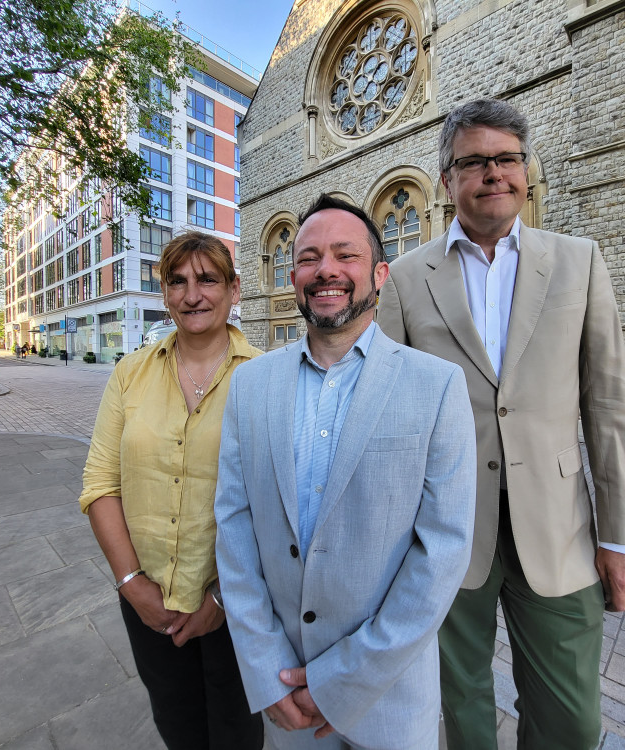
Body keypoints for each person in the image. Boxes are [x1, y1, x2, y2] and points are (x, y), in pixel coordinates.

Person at [376, 98, 625, 750]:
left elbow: (608, 406)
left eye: (506, 159)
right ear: (448, 180)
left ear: (526, 171)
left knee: (572, 721)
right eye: (474, 162)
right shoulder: (409, 278)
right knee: (460, 704)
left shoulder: (578, 260)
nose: (493, 173)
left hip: (559, 531)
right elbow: (386, 416)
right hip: (444, 532)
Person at [215, 194, 477, 750]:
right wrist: (264, 669)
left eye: (346, 255)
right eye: (309, 257)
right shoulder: (250, 385)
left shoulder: (437, 385)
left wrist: (346, 680)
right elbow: (235, 530)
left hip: (389, 697)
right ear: (293, 277)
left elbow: (443, 551)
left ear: (379, 274)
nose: (326, 270)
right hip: (285, 692)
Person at [79, 231, 263, 750]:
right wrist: (131, 582)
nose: (192, 294)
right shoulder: (129, 374)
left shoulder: (266, 377)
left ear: (234, 289)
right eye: (177, 282)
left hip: (238, 602)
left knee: (237, 730)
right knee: (176, 723)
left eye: (208, 279)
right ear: (163, 293)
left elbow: (279, 504)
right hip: (149, 598)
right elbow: (100, 484)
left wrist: (223, 597)